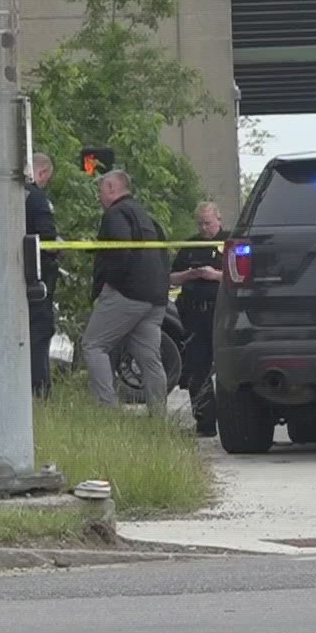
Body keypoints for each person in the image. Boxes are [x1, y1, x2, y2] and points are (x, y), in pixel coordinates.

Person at [83, 169, 170, 413]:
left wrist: (111, 284)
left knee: (94, 345)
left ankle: (106, 411)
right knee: (149, 358)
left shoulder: (116, 214)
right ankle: (158, 417)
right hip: (155, 300)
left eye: (100, 190)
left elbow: (120, 250)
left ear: (111, 187)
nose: (99, 197)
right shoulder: (146, 217)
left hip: (126, 295)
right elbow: (164, 254)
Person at [169, 201, 226, 437]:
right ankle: (205, 424)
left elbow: (245, 274)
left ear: (219, 220)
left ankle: (233, 420)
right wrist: (191, 274)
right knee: (196, 370)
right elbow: (171, 277)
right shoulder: (190, 246)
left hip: (220, 313)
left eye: (208, 223)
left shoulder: (229, 242)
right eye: (200, 223)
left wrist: (214, 275)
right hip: (193, 314)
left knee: (227, 369)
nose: (204, 228)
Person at [24, 152, 60, 398]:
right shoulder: (36, 198)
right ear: (43, 172)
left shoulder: (12, 194)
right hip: (37, 281)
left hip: (12, 279)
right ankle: (40, 392)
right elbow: (46, 237)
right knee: (39, 335)